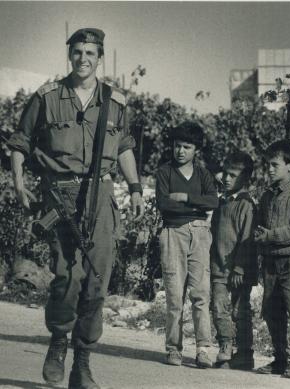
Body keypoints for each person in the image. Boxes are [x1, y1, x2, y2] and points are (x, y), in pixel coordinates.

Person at [8, 28, 144, 389]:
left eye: (90, 53)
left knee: (97, 283)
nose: (83, 59)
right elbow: (19, 142)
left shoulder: (116, 101)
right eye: (77, 52)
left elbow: (126, 146)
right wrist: (19, 182)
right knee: (67, 277)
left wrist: (135, 188)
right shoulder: (47, 97)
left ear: (100, 57)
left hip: (100, 196)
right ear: (70, 55)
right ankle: (57, 344)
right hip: (60, 197)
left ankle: (83, 363)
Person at [155, 121, 218, 368]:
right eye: (177, 146)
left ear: (196, 150)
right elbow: (164, 204)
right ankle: (173, 348)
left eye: (187, 147)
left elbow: (213, 202)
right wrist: (196, 205)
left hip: (200, 234)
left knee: (201, 293)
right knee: (174, 295)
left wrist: (186, 198)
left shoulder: (203, 174)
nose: (180, 151)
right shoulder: (164, 172)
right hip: (173, 232)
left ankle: (203, 349)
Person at [254, 140, 290, 379]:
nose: (269, 169)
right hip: (272, 262)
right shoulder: (267, 196)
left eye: (275, 164)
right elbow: (260, 228)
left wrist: (271, 236)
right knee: (272, 311)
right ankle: (280, 359)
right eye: (268, 164)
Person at [210, 151, 258, 370]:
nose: (227, 178)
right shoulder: (221, 203)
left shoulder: (246, 206)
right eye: (225, 173)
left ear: (245, 178)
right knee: (219, 307)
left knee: (240, 311)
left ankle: (245, 354)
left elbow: (247, 240)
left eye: (233, 175)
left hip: (239, 269)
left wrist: (239, 267)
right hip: (219, 266)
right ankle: (225, 348)